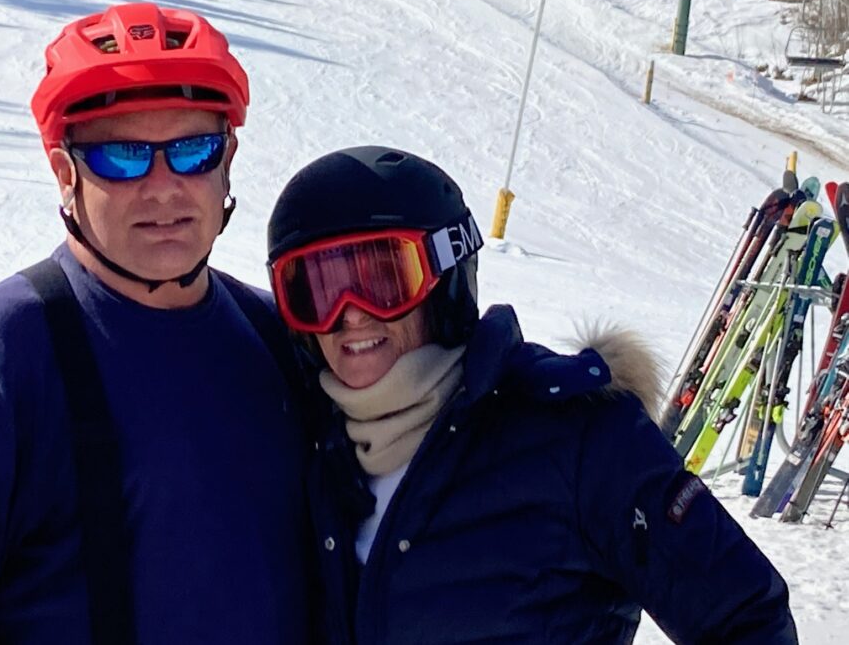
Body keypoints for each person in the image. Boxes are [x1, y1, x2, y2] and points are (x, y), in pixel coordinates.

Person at [0, 3, 316, 644]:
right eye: (124, 158)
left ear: (227, 161)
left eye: (192, 151)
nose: (164, 187)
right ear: (64, 172)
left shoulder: (276, 336)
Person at [266, 145, 799, 644]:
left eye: (383, 281)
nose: (350, 313)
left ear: (446, 282)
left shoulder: (579, 437)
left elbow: (747, 617)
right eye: (315, 292)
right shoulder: (313, 447)